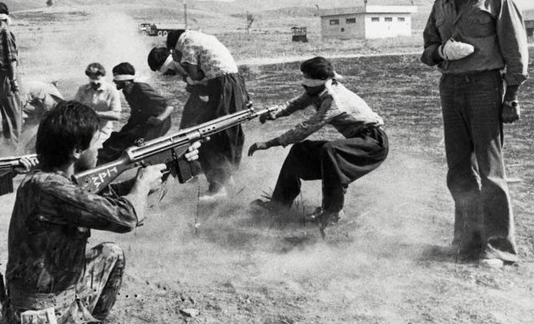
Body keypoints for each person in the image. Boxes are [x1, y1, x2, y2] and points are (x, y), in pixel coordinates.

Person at [4, 101, 198, 324]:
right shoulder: (50, 188)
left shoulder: (49, 180)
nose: (100, 149)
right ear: (76, 150)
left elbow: (106, 200)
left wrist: (165, 169)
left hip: (61, 301)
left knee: (110, 254)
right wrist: (142, 183)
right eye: (97, 143)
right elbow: (125, 217)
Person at [421, 0, 527, 268]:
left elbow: (516, 54)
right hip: (450, 88)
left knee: (490, 170)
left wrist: (511, 96)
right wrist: (441, 53)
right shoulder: (440, 6)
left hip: (484, 87)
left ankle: (499, 248)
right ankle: (467, 241)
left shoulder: (496, 2)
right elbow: (427, 50)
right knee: (458, 170)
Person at [248, 57, 388, 229]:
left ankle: (332, 212)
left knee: (331, 151)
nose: (303, 85)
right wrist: (276, 113)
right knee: (300, 151)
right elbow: (297, 103)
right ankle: (279, 205)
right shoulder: (318, 89)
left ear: (321, 81)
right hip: (359, 140)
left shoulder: (333, 99)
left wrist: (270, 143)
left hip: (373, 144)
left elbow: (308, 126)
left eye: (307, 81)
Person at [150, 29, 250, 201]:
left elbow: (197, 78)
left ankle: (220, 184)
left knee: (218, 133)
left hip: (222, 85)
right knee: (208, 133)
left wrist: (191, 81)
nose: (171, 75)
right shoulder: (197, 44)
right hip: (222, 85)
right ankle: (219, 179)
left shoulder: (186, 50)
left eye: (168, 72)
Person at [97, 63, 173, 163]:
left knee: (135, 144)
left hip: (158, 124)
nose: (113, 80)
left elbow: (169, 105)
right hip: (144, 122)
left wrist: (159, 119)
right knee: (116, 140)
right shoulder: (126, 91)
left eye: (115, 76)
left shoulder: (140, 87)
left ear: (124, 79)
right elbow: (136, 111)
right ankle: (101, 162)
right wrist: (127, 128)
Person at [0, 2, 22, 145]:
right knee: (5, 111)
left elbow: (12, 59)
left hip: (9, 75)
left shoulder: (6, 33)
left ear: (1, 17)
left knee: (12, 112)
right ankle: (8, 142)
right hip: (2, 74)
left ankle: (15, 145)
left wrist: (13, 80)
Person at [74, 63, 122, 147]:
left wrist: (96, 114)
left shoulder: (111, 91)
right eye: (92, 80)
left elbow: (116, 115)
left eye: (98, 79)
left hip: (102, 133)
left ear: (103, 77)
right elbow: (75, 110)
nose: (95, 83)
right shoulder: (82, 89)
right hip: (84, 131)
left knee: (92, 149)